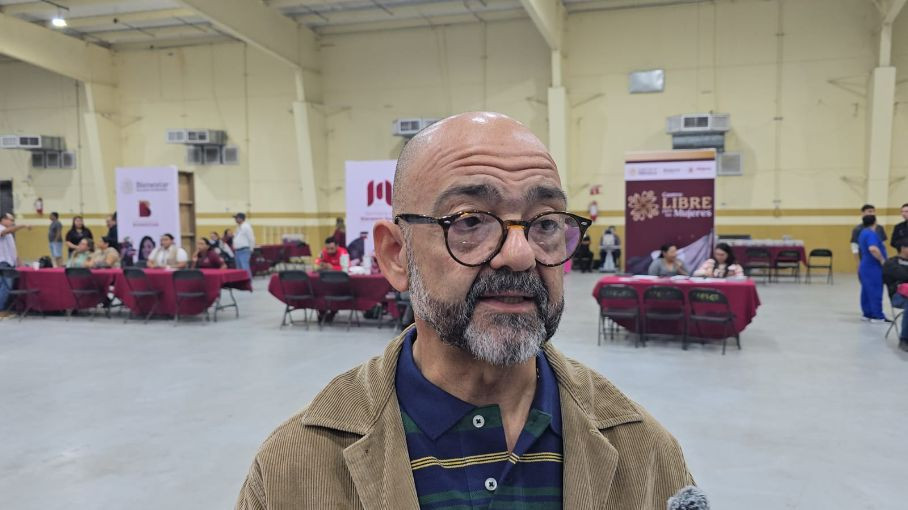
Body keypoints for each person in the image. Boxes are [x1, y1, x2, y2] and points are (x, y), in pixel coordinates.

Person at [235, 112, 693, 509]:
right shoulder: (294, 470)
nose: (520, 254)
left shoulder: (645, 452)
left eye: (546, 223)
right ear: (396, 255)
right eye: (470, 220)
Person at [858, 215, 888, 323]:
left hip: (865, 265)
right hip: (873, 266)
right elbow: (873, 248)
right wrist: (882, 260)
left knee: (866, 290)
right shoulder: (871, 234)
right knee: (875, 290)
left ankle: (867, 313)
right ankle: (877, 316)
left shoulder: (863, 232)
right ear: (875, 222)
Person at [1, 213, 31, 316]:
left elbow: (12, 249)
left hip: (10, 262)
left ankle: (6, 308)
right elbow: (5, 232)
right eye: (11, 220)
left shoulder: (9, 233)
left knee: (8, 286)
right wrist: (23, 225)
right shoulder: (2, 229)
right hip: (3, 263)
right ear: (3, 220)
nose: (12, 222)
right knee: (6, 286)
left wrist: (19, 261)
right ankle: (1, 309)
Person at [882, 241, 908, 352]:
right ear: (903, 248)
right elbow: (904, 275)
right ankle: (904, 339)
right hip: (898, 296)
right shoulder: (891, 263)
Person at [233, 213, 255, 277]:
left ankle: (248, 282)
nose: (235, 219)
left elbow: (251, 238)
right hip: (237, 250)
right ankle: (241, 282)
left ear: (241, 218)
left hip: (244, 250)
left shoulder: (246, 227)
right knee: (239, 269)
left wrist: (251, 249)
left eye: (236, 218)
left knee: (245, 268)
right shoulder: (238, 227)